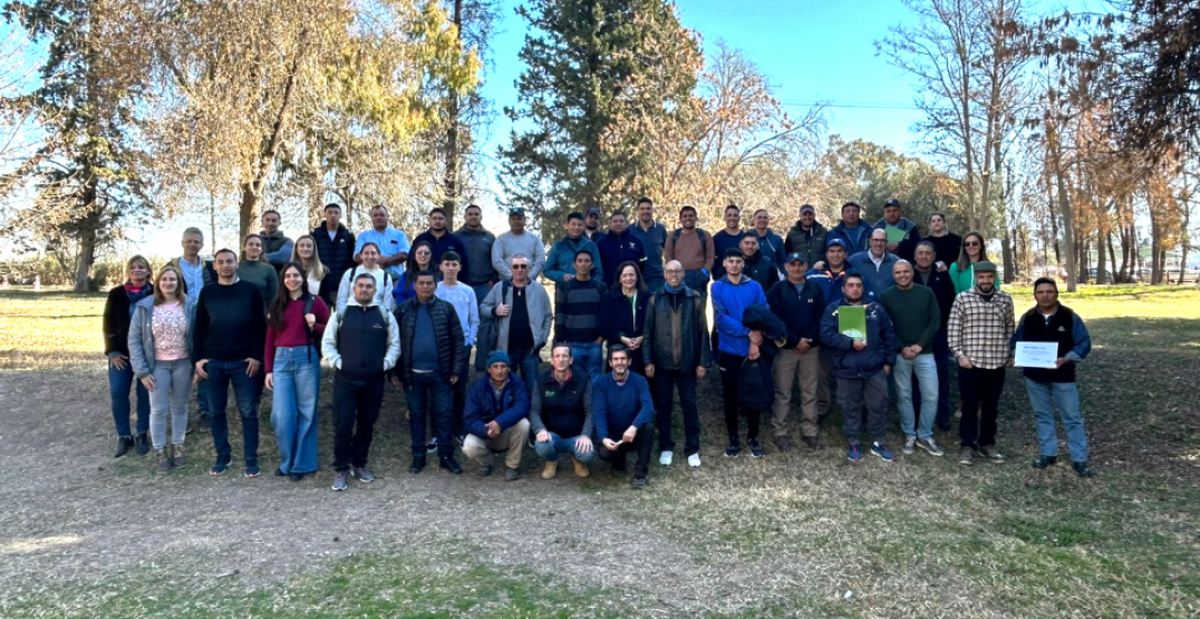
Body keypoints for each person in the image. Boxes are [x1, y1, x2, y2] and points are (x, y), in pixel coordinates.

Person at [193, 248, 266, 477]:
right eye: (221, 262)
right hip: (214, 362)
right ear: (215, 266)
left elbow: (261, 327)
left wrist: (256, 356)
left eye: (230, 261)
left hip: (244, 362)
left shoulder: (251, 291)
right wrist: (198, 359)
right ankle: (222, 456)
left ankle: (251, 458)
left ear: (237, 264)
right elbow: (199, 328)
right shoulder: (208, 292)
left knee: (248, 412)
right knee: (216, 412)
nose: (225, 265)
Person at [323, 273, 400, 490]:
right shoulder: (341, 314)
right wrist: (339, 363)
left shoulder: (384, 314)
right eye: (361, 286)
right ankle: (341, 468)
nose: (364, 289)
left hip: (373, 380)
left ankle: (359, 464)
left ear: (375, 291)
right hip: (346, 380)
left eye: (368, 286)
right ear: (353, 289)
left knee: (367, 424)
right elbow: (328, 343)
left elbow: (394, 344)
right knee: (343, 424)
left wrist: (384, 364)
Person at [1014, 278, 1094, 477]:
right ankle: (1048, 453)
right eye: (1040, 292)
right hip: (1034, 376)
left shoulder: (1069, 317)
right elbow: (1017, 341)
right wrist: (1017, 356)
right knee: (1042, 415)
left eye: (1049, 292)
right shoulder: (1028, 318)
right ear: (1035, 295)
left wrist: (1068, 358)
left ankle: (1079, 459)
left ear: (1056, 294)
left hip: (1063, 376)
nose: (1045, 296)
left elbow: (1084, 343)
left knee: (1072, 417)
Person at [392, 270, 467, 474]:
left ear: (435, 285)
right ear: (415, 286)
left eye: (429, 283)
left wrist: (456, 369)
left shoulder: (446, 309)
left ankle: (446, 456)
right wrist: (393, 372)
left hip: (440, 374)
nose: (425, 286)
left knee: (444, 414)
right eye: (421, 283)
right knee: (416, 415)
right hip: (412, 374)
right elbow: (393, 342)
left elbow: (458, 340)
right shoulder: (403, 310)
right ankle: (418, 456)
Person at [819, 273, 899, 463]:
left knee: (878, 405)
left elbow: (889, 336)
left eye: (858, 285)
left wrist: (888, 363)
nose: (854, 289)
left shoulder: (875, 309)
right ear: (843, 288)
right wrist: (849, 343)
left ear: (863, 288)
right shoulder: (834, 310)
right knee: (850, 406)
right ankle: (853, 441)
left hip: (874, 368)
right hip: (846, 368)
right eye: (851, 285)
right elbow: (825, 334)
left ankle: (878, 441)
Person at [264, 262, 330, 482]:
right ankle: (286, 462)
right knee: (282, 415)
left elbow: (331, 331)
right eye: (287, 276)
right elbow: (270, 339)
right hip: (281, 361)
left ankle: (302, 464)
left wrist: (315, 326)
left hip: (306, 359)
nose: (292, 279)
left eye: (296, 275)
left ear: (303, 278)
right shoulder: (277, 304)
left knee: (306, 412)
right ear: (283, 280)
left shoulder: (315, 302)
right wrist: (268, 369)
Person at [643, 260, 710, 467]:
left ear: (683, 274)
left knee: (689, 406)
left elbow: (703, 332)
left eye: (677, 271)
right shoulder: (655, 299)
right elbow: (648, 332)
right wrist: (648, 360)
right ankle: (666, 446)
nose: (673, 275)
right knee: (663, 406)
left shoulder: (694, 298)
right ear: (664, 274)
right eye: (670, 271)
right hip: (662, 363)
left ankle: (692, 449)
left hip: (687, 363)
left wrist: (703, 362)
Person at [948, 261, 1015, 466]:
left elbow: (1009, 328)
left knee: (991, 406)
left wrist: (1008, 353)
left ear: (994, 277)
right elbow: (953, 330)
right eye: (981, 277)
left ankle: (987, 443)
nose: (985, 280)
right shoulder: (963, 298)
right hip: (971, 362)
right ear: (976, 278)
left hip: (996, 362)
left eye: (989, 276)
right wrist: (960, 355)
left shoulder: (1005, 299)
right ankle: (967, 445)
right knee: (969, 405)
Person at [128, 265, 192, 471]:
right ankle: (160, 450)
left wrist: (198, 363)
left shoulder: (190, 305)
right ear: (158, 282)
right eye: (164, 279)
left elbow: (198, 335)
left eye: (172, 279)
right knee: (158, 409)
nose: (168, 283)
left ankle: (178, 446)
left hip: (183, 363)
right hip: (157, 365)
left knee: (180, 406)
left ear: (179, 283)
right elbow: (134, 340)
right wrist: (142, 371)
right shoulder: (145, 307)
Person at [878, 260, 944, 456]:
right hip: (901, 354)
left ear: (912, 272)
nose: (902, 275)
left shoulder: (926, 293)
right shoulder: (887, 296)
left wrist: (920, 345)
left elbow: (935, 320)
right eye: (898, 273)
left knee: (931, 395)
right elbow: (886, 326)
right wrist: (901, 347)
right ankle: (910, 434)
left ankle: (925, 434)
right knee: (904, 395)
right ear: (893, 275)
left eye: (905, 271)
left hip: (925, 352)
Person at [712, 247, 769, 458]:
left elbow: (763, 312)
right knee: (730, 395)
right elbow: (722, 318)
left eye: (738, 261)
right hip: (729, 351)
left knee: (753, 394)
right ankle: (733, 439)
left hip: (752, 351)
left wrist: (755, 340)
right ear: (724, 263)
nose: (734, 264)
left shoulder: (754, 286)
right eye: (731, 261)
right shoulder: (717, 287)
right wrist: (748, 333)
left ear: (743, 263)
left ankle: (753, 437)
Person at [767, 253, 825, 452]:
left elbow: (821, 318)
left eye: (801, 264)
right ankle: (779, 432)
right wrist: (794, 340)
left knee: (810, 391)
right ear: (786, 267)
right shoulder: (778, 289)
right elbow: (774, 319)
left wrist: (809, 340)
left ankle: (810, 431)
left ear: (806, 266)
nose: (797, 268)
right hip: (786, 349)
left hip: (810, 349)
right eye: (793, 264)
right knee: (782, 392)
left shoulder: (815, 288)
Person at [105, 255, 153, 458]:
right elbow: (108, 322)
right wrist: (112, 351)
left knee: (145, 394)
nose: (137, 270)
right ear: (128, 271)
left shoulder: (155, 293)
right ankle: (124, 435)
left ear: (148, 271)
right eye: (133, 267)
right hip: (121, 355)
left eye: (141, 267)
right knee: (118, 393)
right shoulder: (117, 293)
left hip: (146, 355)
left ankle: (142, 433)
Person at [166, 229, 214, 431]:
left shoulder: (209, 267)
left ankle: (205, 411)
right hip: (179, 318)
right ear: (182, 242)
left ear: (201, 244)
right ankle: (180, 414)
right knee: (181, 363)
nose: (192, 244)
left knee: (204, 361)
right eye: (189, 241)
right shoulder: (172, 266)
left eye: (196, 241)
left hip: (205, 318)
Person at [480, 254, 552, 387]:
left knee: (532, 389)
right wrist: (495, 311)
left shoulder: (539, 289)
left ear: (529, 268)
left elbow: (548, 316)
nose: (519, 269)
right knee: (505, 388)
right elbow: (483, 307)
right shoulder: (500, 287)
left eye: (523, 266)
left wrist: (542, 339)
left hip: (530, 351)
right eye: (516, 266)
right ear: (510, 268)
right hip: (506, 350)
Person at [593, 345, 655, 488]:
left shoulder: (639, 381)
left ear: (629, 361)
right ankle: (618, 463)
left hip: (633, 432)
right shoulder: (601, 383)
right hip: (613, 433)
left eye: (623, 359)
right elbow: (598, 413)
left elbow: (648, 407)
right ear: (610, 363)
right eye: (615, 359)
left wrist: (634, 427)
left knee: (648, 429)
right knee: (604, 452)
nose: (619, 362)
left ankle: (640, 474)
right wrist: (603, 437)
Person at [462, 351, 531, 480]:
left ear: (509, 368)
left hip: (506, 430)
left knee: (524, 424)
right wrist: (486, 430)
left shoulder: (517, 384)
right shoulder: (478, 387)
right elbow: (470, 418)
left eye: (503, 366)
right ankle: (486, 462)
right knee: (469, 445)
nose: (499, 371)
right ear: (489, 369)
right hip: (485, 432)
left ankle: (512, 466)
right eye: (495, 367)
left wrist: (499, 423)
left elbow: (522, 407)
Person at [530, 344, 596, 479]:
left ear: (571, 360)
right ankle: (552, 460)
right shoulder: (541, 380)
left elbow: (590, 411)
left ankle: (577, 459)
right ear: (552, 360)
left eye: (565, 356)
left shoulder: (583, 379)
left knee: (587, 453)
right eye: (557, 356)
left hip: (576, 435)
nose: (561, 360)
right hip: (551, 435)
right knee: (541, 446)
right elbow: (534, 410)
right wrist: (540, 429)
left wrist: (586, 434)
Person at [435, 251, 479, 441]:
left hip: (462, 345)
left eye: (454, 264)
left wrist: (469, 342)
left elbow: (474, 319)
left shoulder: (467, 291)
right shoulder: (435, 289)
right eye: (447, 264)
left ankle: (459, 429)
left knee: (459, 389)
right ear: (441, 267)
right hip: (440, 345)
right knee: (439, 389)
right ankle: (438, 431)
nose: (451, 268)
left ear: (460, 267)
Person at [913, 241, 957, 431]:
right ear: (915, 256)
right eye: (920, 252)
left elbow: (951, 302)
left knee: (941, 374)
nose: (924, 256)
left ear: (934, 256)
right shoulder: (908, 274)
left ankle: (943, 414)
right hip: (914, 334)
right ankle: (917, 414)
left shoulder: (942, 275)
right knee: (915, 377)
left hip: (939, 333)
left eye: (928, 253)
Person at [807, 237, 852, 421]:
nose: (835, 255)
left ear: (845, 254)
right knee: (819, 373)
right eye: (832, 251)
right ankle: (822, 405)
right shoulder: (813, 275)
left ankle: (850, 407)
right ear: (826, 254)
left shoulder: (853, 275)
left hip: (847, 332)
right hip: (822, 333)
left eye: (839, 251)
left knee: (849, 371)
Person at [554, 250, 608, 380]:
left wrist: (600, 338)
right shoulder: (564, 287)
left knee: (595, 380)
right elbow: (560, 315)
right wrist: (561, 340)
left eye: (587, 261)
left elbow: (606, 315)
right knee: (576, 381)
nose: (583, 264)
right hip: (573, 343)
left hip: (594, 343)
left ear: (592, 265)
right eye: (580, 261)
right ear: (574, 265)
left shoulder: (600, 287)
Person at [600, 261, 649, 377]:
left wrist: (642, 338)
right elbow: (604, 325)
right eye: (625, 275)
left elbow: (655, 324)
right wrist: (622, 338)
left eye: (631, 274)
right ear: (619, 278)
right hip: (617, 351)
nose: (628, 278)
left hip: (642, 352)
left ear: (637, 277)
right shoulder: (609, 298)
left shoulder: (648, 297)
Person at [662, 205, 714, 309]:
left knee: (699, 310)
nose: (688, 218)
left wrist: (704, 272)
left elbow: (710, 257)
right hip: (679, 277)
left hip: (699, 277)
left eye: (691, 216)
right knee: (679, 310)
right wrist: (674, 274)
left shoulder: (704, 235)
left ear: (696, 218)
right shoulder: (673, 236)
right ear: (680, 219)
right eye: (685, 216)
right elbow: (668, 257)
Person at [312, 203, 356, 304]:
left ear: (340, 215)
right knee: (323, 313)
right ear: (325, 215)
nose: (333, 215)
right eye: (330, 212)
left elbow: (353, 259)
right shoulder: (316, 234)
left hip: (342, 284)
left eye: (336, 213)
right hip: (322, 284)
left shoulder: (348, 235)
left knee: (342, 313)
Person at [454, 203, 497, 304]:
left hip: (485, 287)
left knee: (485, 313)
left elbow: (496, 259)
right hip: (462, 285)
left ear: (481, 217)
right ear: (465, 217)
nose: (473, 216)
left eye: (476, 214)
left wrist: (493, 279)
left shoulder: (490, 237)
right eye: (470, 214)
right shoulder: (456, 237)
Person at [354, 204, 410, 280]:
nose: (378, 217)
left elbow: (405, 254)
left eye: (382, 215)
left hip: (395, 280)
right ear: (371, 218)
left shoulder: (399, 235)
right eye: (375, 215)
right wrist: (375, 260)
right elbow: (357, 257)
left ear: (387, 217)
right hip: (370, 281)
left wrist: (388, 261)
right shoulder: (363, 236)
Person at [545, 211, 603, 284]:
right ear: (567, 225)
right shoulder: (558, 246)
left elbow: (598, 271)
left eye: (579, 225)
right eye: (573, 224)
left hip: (586, 288)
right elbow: (547, 270)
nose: (577, 227)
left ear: (583, 226)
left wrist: (591, 283)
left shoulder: (591, 246)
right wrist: (563, 276)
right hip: (564, 287)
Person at [336, 242, 395, 312]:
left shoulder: (385, 277)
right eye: (366, 253)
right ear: (361, 255)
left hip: (376, 315)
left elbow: (388, 304)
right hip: (352, 314)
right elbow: (341, 300)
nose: (370, 257)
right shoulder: (350, 274)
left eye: (373, 253)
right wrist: (341, 316)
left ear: (379, 256)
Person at [492, 207, 546, 281]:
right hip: (507, 283)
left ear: (524, 220)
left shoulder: (535, 239)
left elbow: (541, 260)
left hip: (529, 282)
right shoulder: (501, 240)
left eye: (519, 218)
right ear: (509, 221)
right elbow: (496, 260)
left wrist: (529, 277)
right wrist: (512, 277)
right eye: (513, 219)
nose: (516, 221)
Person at [596, 211, 646, 289]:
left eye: (621, 221)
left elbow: (643, 260)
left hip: (632, 286)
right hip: (608, 287)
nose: (618, 223)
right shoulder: (602, 243)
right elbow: (597, 265)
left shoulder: (636, 241)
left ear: (626, 223)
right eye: (615, 221)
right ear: (610, 223)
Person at [628, 197, 667, 291]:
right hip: (636, 276)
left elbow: (668, 250)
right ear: (638, 210)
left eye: (648, 208)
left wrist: (668, 270)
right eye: (642, 209)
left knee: (657, 300)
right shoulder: (630, 230)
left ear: (652, 210)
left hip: (657, 277)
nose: (645, 211)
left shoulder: (660, 229)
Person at [846, 228, 898, 298]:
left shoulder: (895, 261)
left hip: (888, 303)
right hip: (863, 303)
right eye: (876, 240)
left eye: (882, 240)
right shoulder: (854, 260)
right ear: (870, 241)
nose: (879, 244)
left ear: (886, 243)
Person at [414, 207, 469, 271]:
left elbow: (463, 263)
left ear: (446, 220)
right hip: (425, 276)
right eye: (434, 218)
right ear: (429, 220)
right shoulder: (420, 239)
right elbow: (412, 261)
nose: (437, 221)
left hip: (448, 276)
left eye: (440, 218)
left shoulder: (455, 241)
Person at [238, 233, 279, 312]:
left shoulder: (269, 269)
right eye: (250, 244)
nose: (254, 247)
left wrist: (270, 313)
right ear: (244, 247)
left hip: (260, 314)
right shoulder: (236, 268)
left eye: (258, 245)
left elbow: (273, 296)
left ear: (262, 249)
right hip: (238, 313)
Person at [872, 198, 921, 262]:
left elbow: (918, 245)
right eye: (888, 211)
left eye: (895, 210)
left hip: (906, 262)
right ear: (884, 213)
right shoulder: (877, 227)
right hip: (882, 262)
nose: (892, 213)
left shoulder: (910, 226)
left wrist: (899, 244)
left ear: (900, 212)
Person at [289, 234, 332, 299]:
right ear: (296, 248)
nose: (305, 249)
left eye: (309, 246)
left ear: (314, 249)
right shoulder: (288, 270)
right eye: (302, 246)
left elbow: (325, 299)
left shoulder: (323, 271)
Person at [393, 241, 434, 306]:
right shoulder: (405, 276)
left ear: (431, 256)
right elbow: (400, 297)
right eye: (419, 253)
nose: (423, 255)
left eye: (426, 253)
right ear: (415, 256)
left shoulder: (438, 275)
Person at [711, 204, 744, 282]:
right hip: (722, 279)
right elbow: (711, 258)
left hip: (742, 279)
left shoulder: (745, 238)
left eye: (735, 215)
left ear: (739, 218)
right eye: (729, 215)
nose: (732, 218)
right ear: (725, 217)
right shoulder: (717, 238)